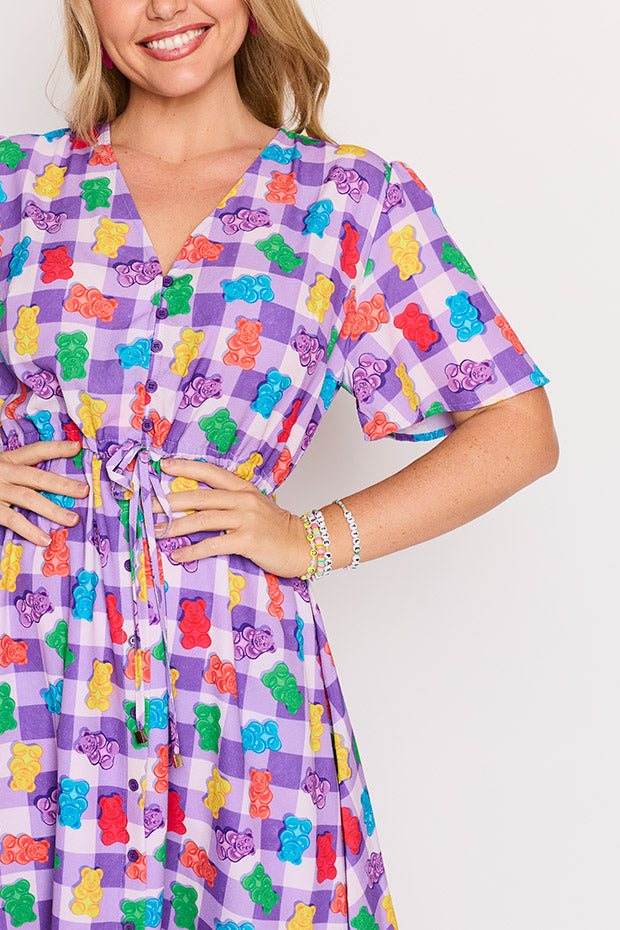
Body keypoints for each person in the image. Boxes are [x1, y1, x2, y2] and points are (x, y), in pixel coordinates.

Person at [0, 0, 559, 926]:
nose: (165, 7)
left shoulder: (349, 201)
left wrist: (313, 538)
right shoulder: (16, 188)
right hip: (30, 670)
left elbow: (517, 427)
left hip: (237, 679)